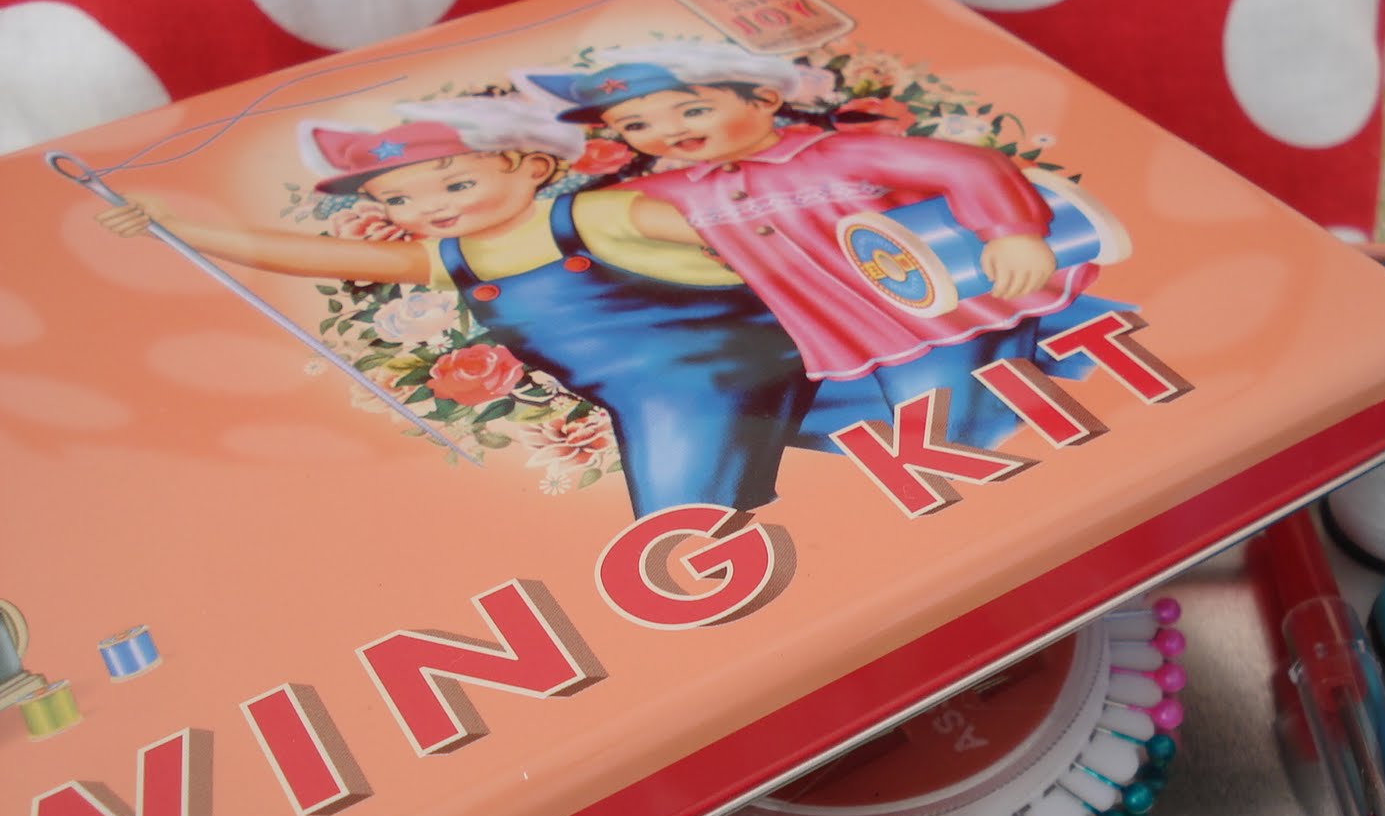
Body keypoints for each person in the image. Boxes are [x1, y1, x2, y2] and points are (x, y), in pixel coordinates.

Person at [95, 95, 845, 519]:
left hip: (709, 375)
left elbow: (721, 231)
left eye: (456, 184)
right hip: (649, 392)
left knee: (680, 524)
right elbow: (314, 255)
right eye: (399, 199)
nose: (433, 208)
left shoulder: (594, 214)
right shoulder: (446, 258)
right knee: (867, 446)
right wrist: (182, 229)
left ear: (531, 166)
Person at [520, 45, 1121, 449]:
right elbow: (581, 217)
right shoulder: (670, 189)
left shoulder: (833, 152)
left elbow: (968, 164)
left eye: (694, 109)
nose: (669, 131)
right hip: (850, 331)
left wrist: (1011, 232)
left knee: (947, 428)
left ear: (764, 101)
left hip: (946, 307)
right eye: (636, 126)